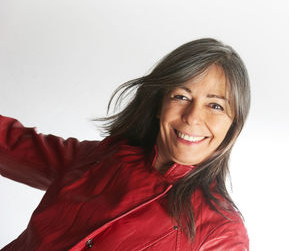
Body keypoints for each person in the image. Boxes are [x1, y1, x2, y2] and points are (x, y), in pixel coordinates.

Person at [0, 38, 251, 250]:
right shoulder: (99, 158)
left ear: (234, 124)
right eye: (181, 96)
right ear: (158, 105)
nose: (192, 117)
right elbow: (11, 144)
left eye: (215, 106)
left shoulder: (223, 232)